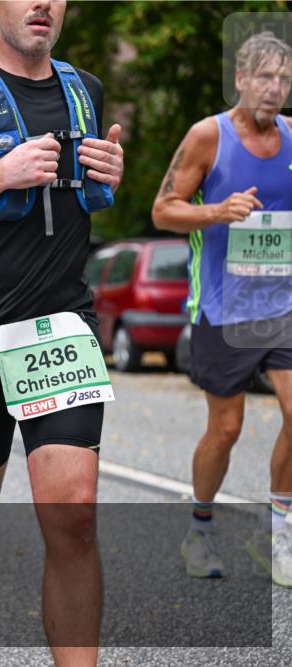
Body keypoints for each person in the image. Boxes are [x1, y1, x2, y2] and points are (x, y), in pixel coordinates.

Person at [0, 1, 124, 664]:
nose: (42, 3)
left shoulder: (84, 89)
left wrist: (111, 174)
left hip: (62, 327)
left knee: (74, 512)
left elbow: (85, 193)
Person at [151, 31, 292, 587]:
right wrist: (218, 211)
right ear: (240, 79)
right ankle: (200, 530)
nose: (274, 88)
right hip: (224, 308)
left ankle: (280, 534)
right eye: (264, 77)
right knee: (226, 429)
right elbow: (164, 210)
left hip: (283, 304)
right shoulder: (207, 136)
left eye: (283, 78)